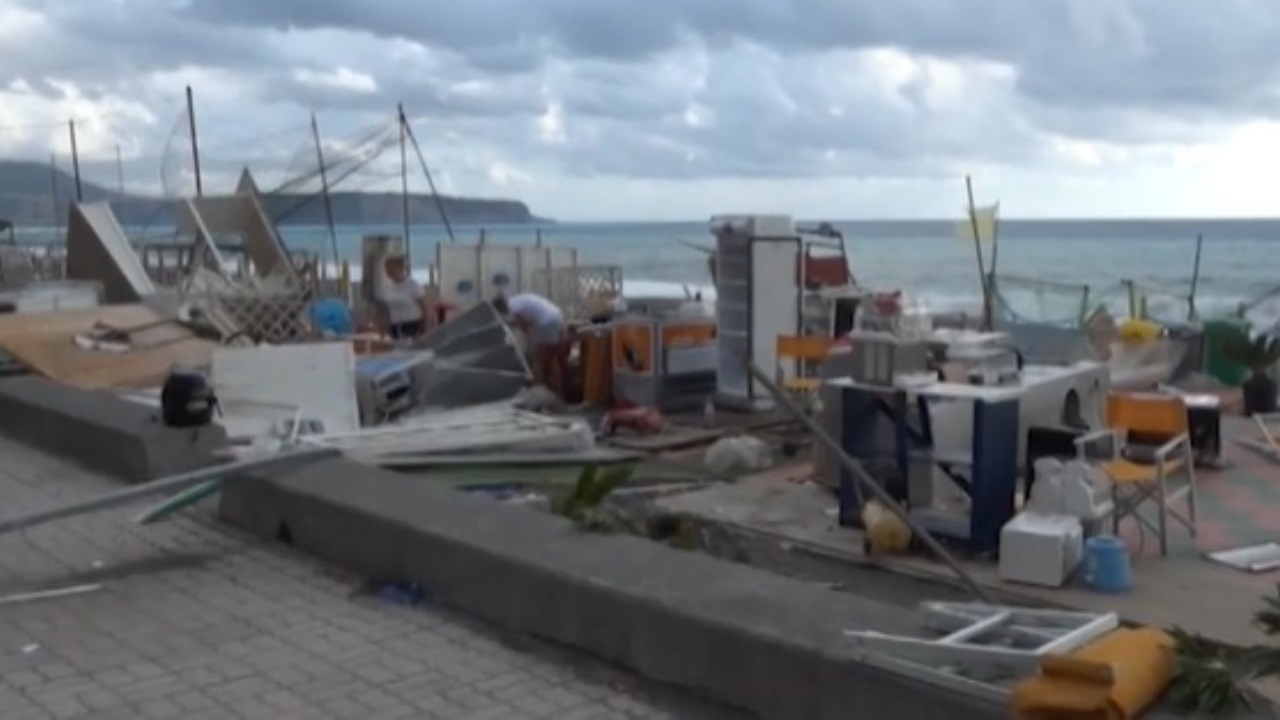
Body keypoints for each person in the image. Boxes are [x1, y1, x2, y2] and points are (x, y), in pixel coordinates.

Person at [492, 293, 567, 390]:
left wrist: (526, 345)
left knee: (536, 359)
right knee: (550, 358)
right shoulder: (516, 300)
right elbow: (529, 323)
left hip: (547, 323)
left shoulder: (514, 308)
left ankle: (538, 389)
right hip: (557, 316)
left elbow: (526, 327)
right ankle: (557, 390)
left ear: (501, 307)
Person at [376, 254, 431, 339]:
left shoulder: (413, 285)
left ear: (399, 268)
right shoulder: (387, 286)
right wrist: (383, 331)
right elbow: (384, 310)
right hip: (394, 326)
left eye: (390, 268)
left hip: (412, 325)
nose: (387, 271)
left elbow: (425, 308)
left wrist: (423, 330)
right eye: (386, 269)